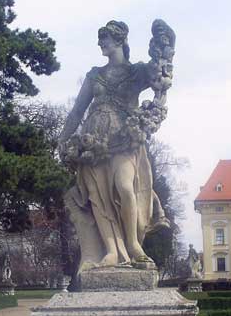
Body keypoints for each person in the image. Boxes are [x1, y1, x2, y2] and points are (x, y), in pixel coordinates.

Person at [60, 20, 174, 270]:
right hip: (93, 145)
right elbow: (77, 111)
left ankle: (133, 245)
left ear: (120, 40)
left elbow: (160, 75)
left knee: (124, 187)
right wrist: (63, 139)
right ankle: (112, 251)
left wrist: (163, 44)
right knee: (98, 198)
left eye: (105, 38)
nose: (101, 43)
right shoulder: (94, 76)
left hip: (124, 140)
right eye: (100, 39)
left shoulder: (136, 72)